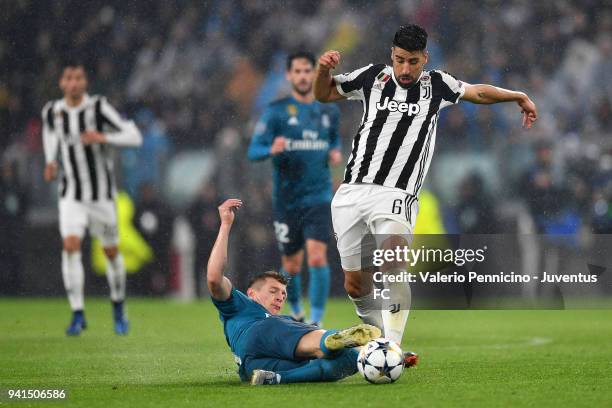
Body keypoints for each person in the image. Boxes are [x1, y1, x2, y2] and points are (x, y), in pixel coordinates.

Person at [314, 24, 538, 345]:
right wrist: (323, 70)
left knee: (393, 260)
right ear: (391, 55)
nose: (405, 69)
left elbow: (477, 92)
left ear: (425, 59)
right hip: (351, 192)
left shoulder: (438, 84)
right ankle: (377, 340)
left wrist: (517, 96)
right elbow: (323, 94)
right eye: (400, 60)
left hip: (397, 192)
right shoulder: (372, 77)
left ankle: (391, 345)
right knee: (355, 285)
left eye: (413, 62)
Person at [207, 198, 381, 385]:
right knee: (322, 345)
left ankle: (277, 378)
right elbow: (214, 278)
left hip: (250, 365)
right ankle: (328, 339)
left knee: (346, 362)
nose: (280, 297)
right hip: (259, 332)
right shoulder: (241, 305)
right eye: (273, 290)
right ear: (251, 293)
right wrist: (225, 225)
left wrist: (393, 357)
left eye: (283, 294)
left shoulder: (281, 321)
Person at [42, 60, 143, 336]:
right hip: (71, 194)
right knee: (71, 245)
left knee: (111, 252)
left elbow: (134, 136)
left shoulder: (99, 108)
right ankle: (77, 313)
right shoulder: (53, 111)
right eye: (69, 78)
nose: (73, 83)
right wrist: (50, 160)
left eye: (78, 78)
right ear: (62, 83)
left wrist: (104, 138)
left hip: (101, 196)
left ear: (84, 82)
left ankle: (119, 307)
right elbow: (50, 134)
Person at [248, 51, 343, 325]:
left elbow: (334, 141)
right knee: (291, 265)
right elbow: (254, 151)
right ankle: (297, 310)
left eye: (307, 71)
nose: (303, 76)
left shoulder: (328, 110)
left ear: (314, 74)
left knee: (317, 256)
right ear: (289, 75)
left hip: (319, 196)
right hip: (287, 200)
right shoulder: (276, 112)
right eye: (297, 71)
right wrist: (270, 148)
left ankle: (316, 320)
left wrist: (335, 152)